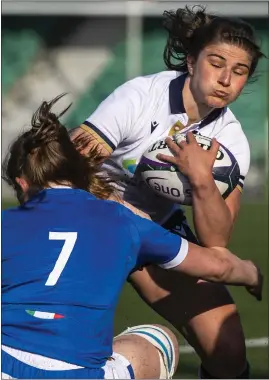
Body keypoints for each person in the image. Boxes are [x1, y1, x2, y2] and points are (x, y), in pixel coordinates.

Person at [1, 96, 263, 380]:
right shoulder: (124, 220)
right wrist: (251, 275)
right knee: (160, 339)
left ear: (22, 182)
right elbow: (217, 266)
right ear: (80, 171)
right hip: (79, 374)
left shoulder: (6, 224)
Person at [69, 5, 266, 379]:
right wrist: (119, 210)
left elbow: (216, 241)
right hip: (89, 217)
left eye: (239, 71)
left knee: (226, 349)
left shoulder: (230, 138)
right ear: (191, 62)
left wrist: (202, 179)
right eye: (216, 63)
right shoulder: (140, 97)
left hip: (155, 227)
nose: (226, 78)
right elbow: (63, 167)